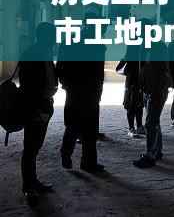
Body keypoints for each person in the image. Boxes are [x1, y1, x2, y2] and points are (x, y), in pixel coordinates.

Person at [57, 21, 106, 173]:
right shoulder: (97, 45)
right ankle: (87, 162)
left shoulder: (69, 42)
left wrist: (66, 84)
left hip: (76, 91)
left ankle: (68, 155)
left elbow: (60, 67)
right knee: (88, 128)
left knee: (74, 125)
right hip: (88, 92)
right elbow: (99, 73)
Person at [19, 22, 58, 205]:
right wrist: (34, 108)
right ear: (44, 36)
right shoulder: (31, 54)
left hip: (44, 105)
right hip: (35, 107)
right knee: (30, 147)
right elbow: (27, 86)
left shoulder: (45, 53)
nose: (54, 39)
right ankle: (28, 187)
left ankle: (33, 181)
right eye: (52, 35)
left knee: (35, 146)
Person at [133, 39, 172, 169]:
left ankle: (150, 155)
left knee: (151, 123)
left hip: (155, 89)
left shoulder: (155, 46)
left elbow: (154, 69)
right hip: (152, 89)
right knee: (154, 122)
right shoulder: (150, 45)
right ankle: (156, 151)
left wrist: (152, 90)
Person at [118, 45, 146, 138]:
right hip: (131, 84)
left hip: (139, 83)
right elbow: (119, 69)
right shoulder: (129, 56)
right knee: (131, 106)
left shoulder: (143, 54)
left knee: (139, 105)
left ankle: (139, 126)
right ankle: (131, 128)